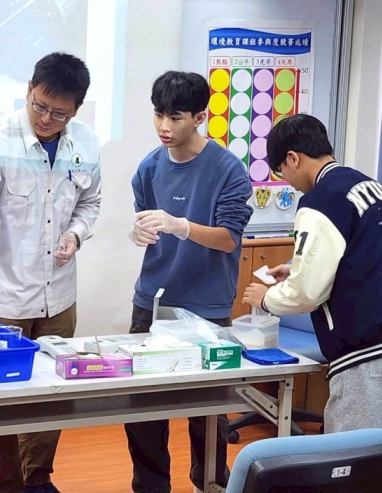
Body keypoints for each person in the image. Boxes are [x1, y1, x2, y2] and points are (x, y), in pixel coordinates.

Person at [0, 52, 101, 493]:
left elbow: (90, 202)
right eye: (40, 106)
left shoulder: (86, 143)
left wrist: (76, 234)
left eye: (59, 113)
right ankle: (2, 486)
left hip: (59, 295)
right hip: (1, 294)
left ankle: (37, 479)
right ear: (29, 89)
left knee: (52, 393)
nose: (47, 119)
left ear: (76, 109)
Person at [243, 114, 382, 493]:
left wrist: (268, 299)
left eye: (281, 172)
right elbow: (366, 255)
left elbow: (306, 293)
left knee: (351, 463)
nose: (286, 182)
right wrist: (295, 267)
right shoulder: (368, 185)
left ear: (293, 158)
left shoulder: (320, 200)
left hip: (373, 348)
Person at [126, 71, 253, 493]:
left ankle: (211, 482)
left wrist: (181, 225)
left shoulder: (228, 169)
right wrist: (139, 232)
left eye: (175, 117)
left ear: (199, 117)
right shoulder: (148, 168)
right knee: (143, 409)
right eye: (158, 115)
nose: (164, 126)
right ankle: (150, 486)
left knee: (209, 410)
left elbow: (229, 238)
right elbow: (146, 221)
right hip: (152, 301)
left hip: (206, 306)